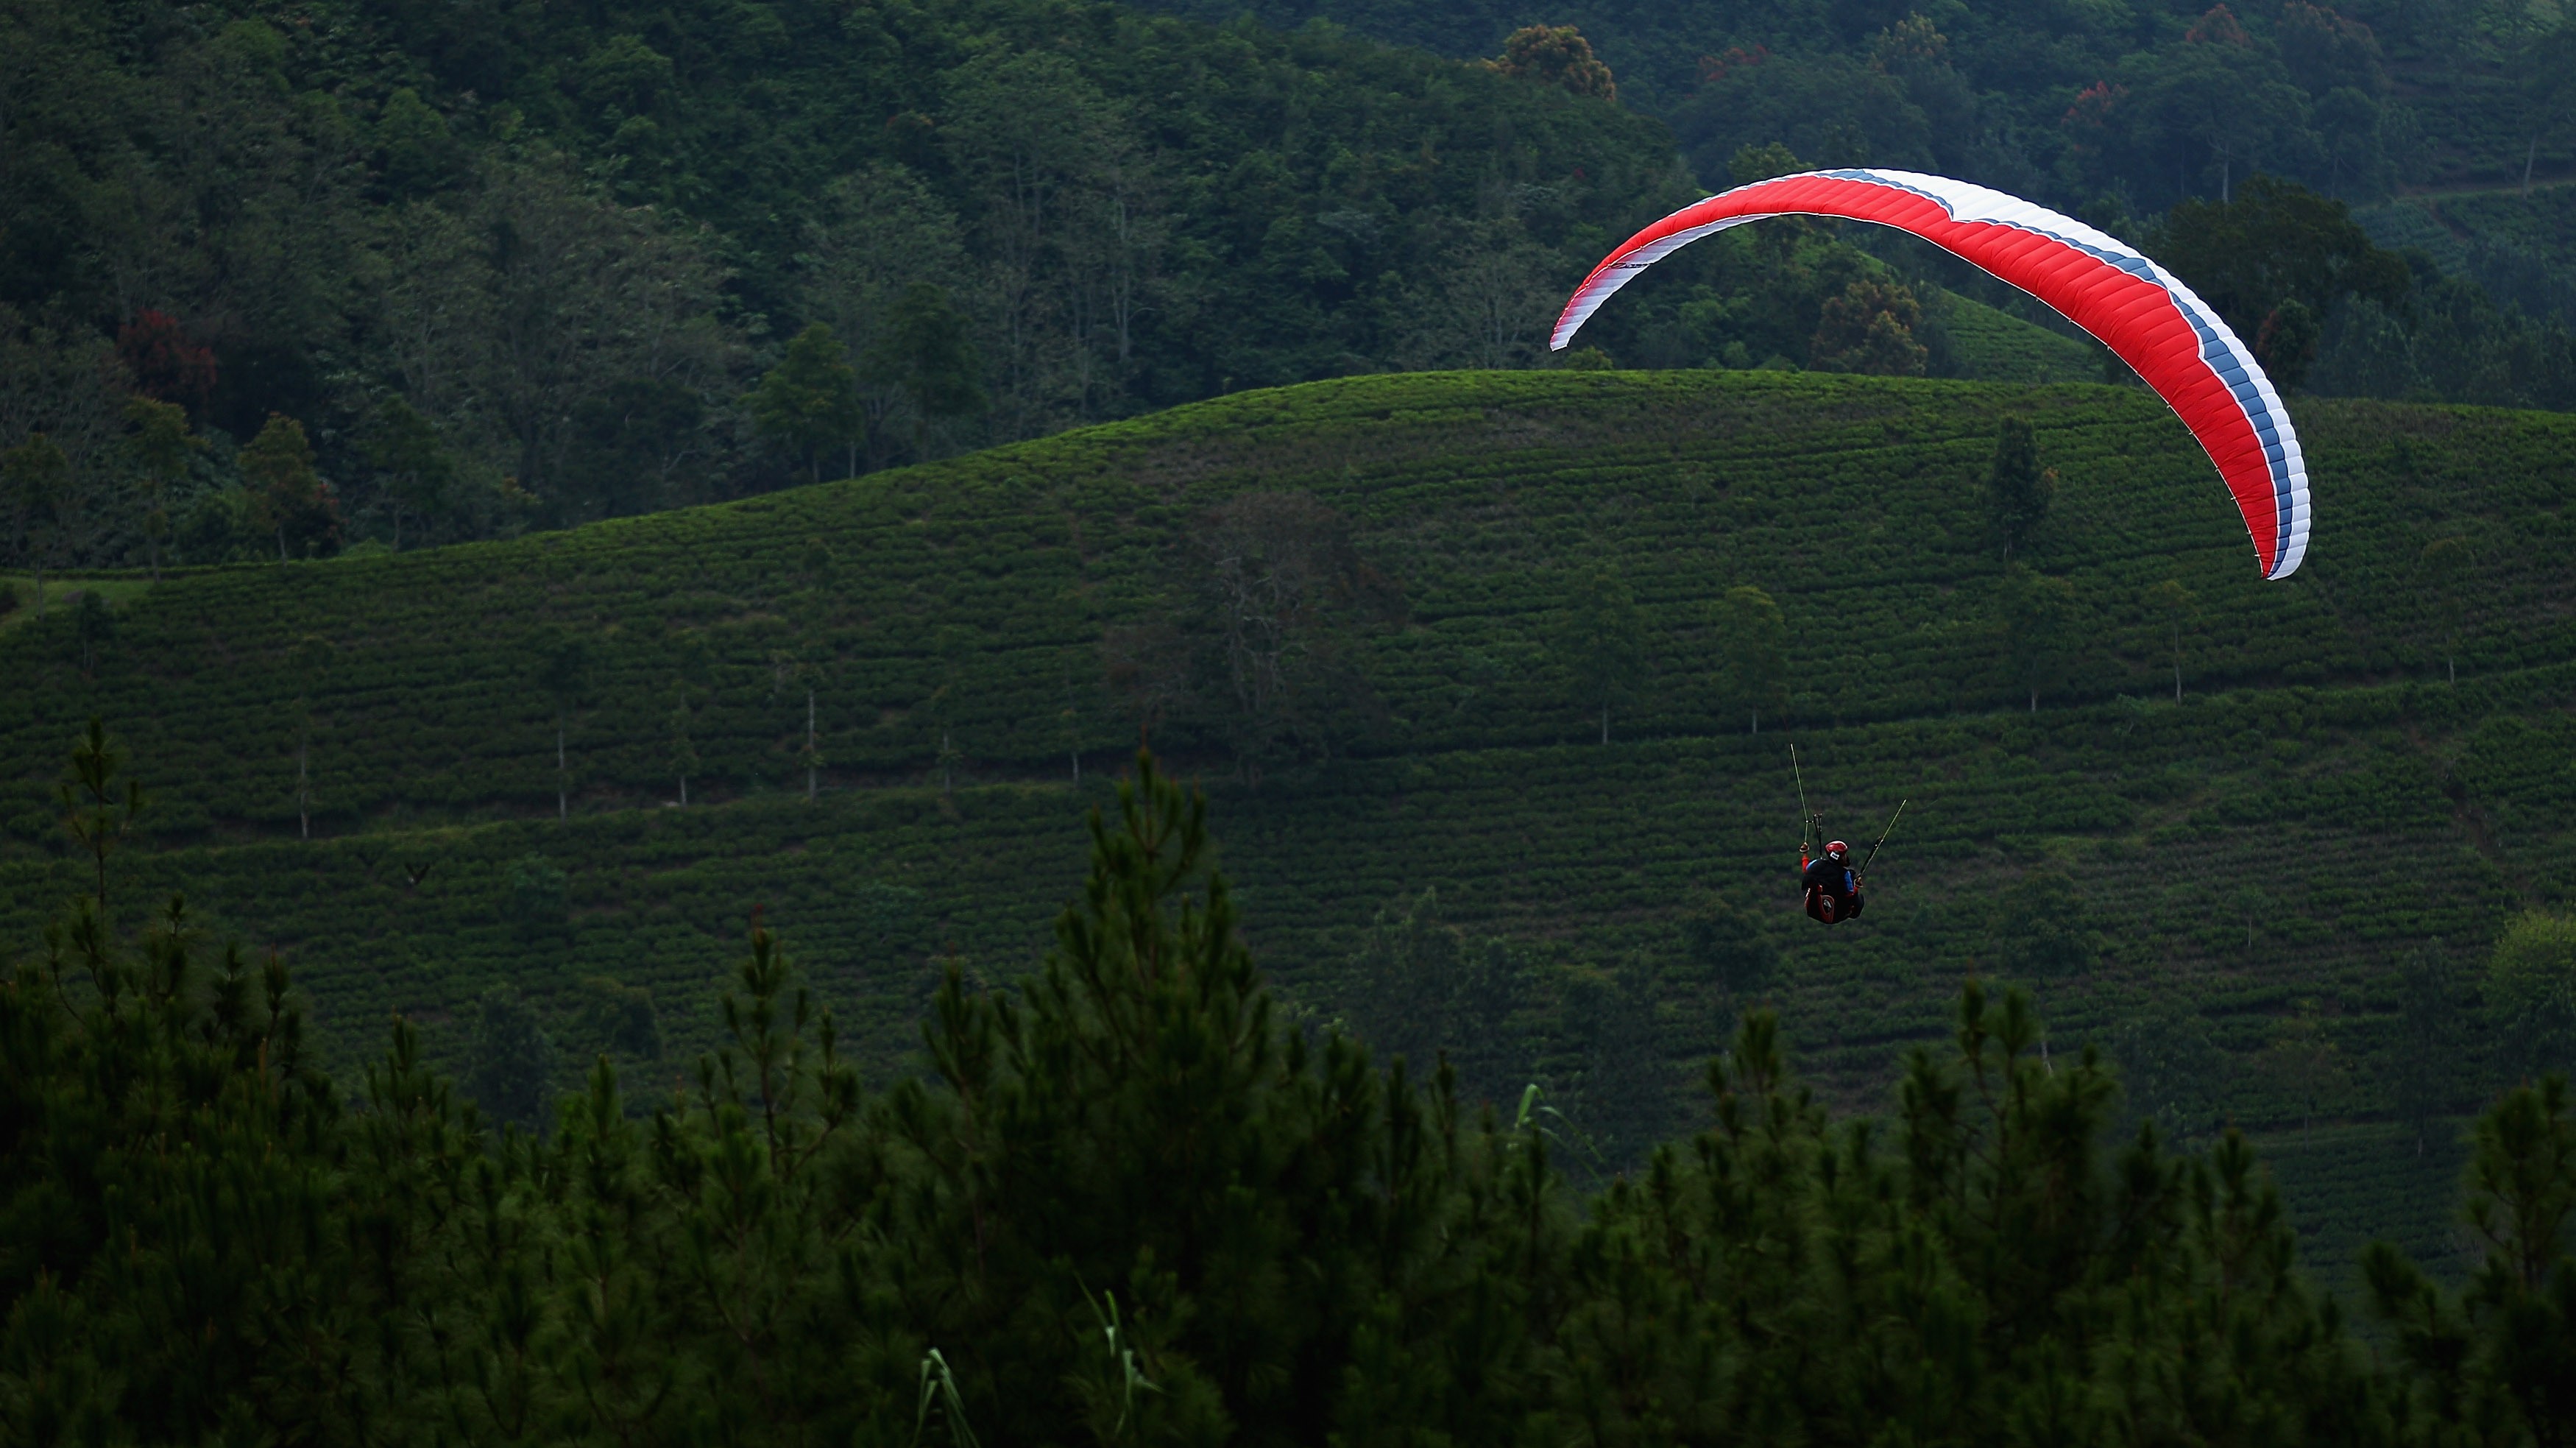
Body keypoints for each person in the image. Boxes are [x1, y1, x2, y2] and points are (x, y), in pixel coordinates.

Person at [1802, 838, 1863, 924]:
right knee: (1859, 899)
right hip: (1834, 915)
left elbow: (1806, 869)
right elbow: (1850, 894)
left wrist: (1805, 854)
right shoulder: (1845, 874)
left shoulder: (1816, 863)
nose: (1846, 857)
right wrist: (1857, 886)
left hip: (1812, 909)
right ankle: (1850, 913)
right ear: (1838, 857)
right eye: (1844, 855)